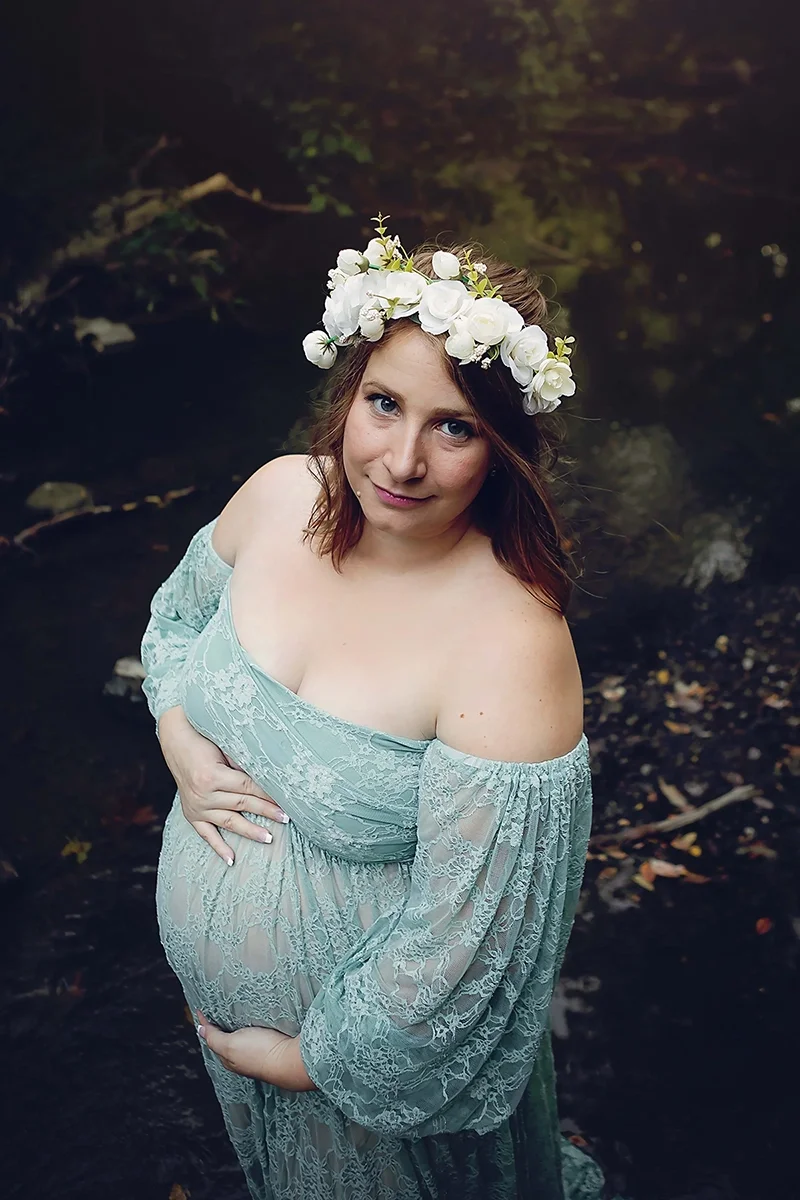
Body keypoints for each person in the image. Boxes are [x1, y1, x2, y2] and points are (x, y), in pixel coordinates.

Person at [140, 217, 615, 1200]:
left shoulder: (509, 645)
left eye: (453, 427)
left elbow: (471, 941)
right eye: (384, 405)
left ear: (503, 447)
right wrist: (178, 737)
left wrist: (311, 1063)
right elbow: (175, 628)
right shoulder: (276, 498)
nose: (400, 462)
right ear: (346, 394)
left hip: (371, 1093)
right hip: (241, 1049)